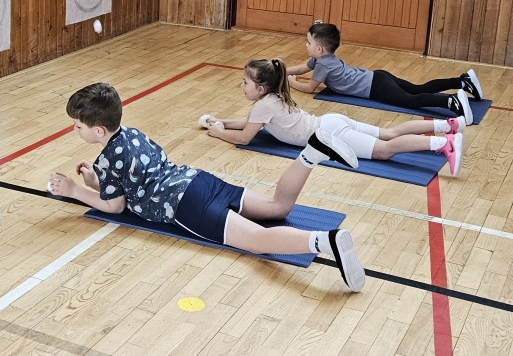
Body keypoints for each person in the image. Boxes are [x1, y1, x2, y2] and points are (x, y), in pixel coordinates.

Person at [48, 82, 367, 292]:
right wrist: (97, 181)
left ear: (98, 130)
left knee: (257, 241)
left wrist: (75, 191)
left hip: (187, 206)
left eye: (78, 126)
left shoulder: (107, 159)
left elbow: (115, 206)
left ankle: (325, 241)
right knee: (277, 207)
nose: (76, 131)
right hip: (199, 180)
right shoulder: (132, 133)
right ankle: (312, 153)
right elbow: (134, 177)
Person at [203, 59, 467, 176]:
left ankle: (444, 143)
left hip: (329, 134)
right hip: (332, 121)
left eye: (245, 82)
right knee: (389, 133)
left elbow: (246, 137)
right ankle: (448, 124)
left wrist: (219, 133)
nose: (241, 86)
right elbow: (249, 124)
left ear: (260, 89)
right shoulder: (272, 98)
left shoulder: (264, 106)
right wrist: (221, 121)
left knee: (385, 150)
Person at [286, 22, 483, 125]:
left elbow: (310, 88)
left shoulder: (323, 65)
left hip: (375, 88)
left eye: (308, 42)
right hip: (378, 76)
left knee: (410, 100)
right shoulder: (321, 59)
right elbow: (303, 68)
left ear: (319, 49)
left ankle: (451, 102)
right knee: (417, 89)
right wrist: (282, 70)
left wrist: (291, 82)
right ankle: (462, 82)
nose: (306, 45)